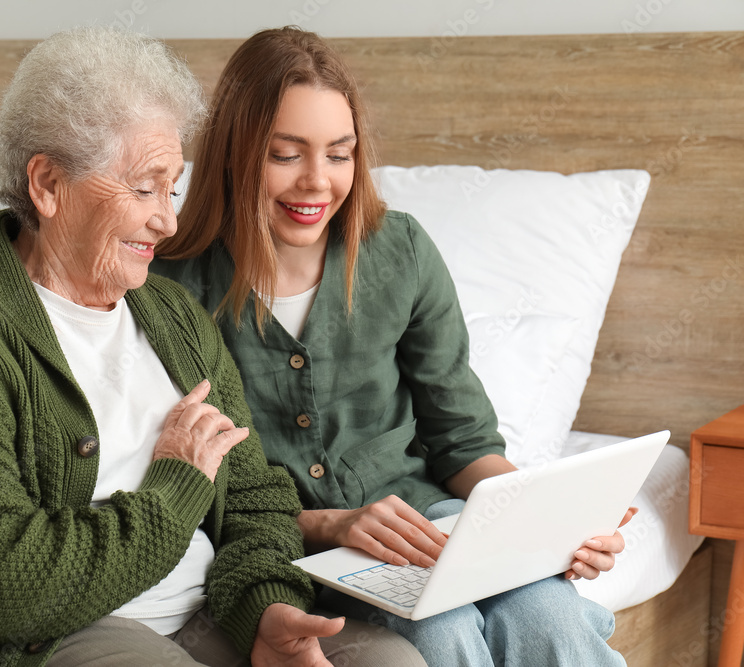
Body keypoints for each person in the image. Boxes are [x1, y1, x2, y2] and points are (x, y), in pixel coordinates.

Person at [0, 27, 425, 667]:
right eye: (144, 188)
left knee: (394, 662)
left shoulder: (171, 316)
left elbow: (255, 499)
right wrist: (176, 484)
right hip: (46, 633)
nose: (167, 221)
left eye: (171, 189)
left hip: (200, 611)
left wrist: (265, 608)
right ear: (48, 185)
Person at [153, 26, 633, 666]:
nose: (317, 183)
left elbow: (461, 440)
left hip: (433, 521)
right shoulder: (171, 287)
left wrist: (549, 527)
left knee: (549, 616)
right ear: (236, 154)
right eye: (286, 154)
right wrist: (331, 523)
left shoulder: (400, 250)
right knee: (444, 632)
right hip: (293, 548)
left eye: (339, 153)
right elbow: (193, 488)